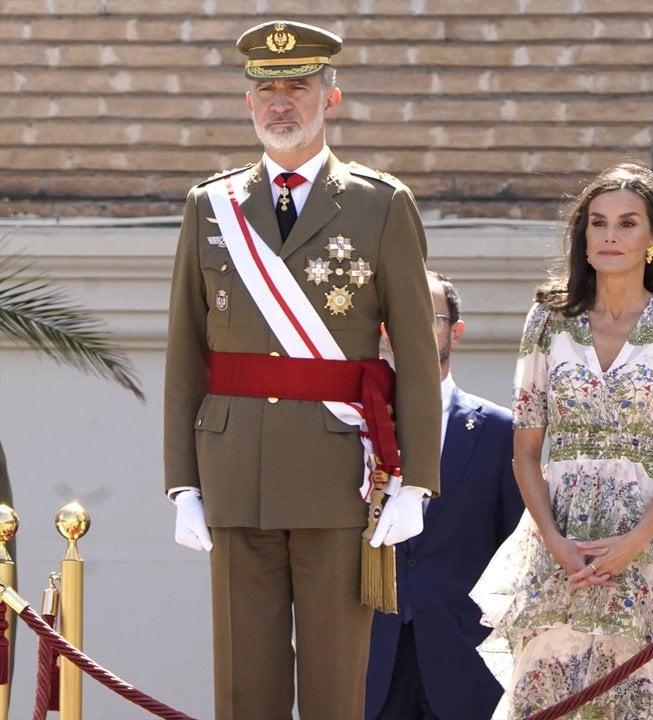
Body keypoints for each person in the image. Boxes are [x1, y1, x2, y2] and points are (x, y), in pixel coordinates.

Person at [163, 20, 441, 720]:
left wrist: (419, 481)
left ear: (331, 97)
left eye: (299, 85)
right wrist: (181, 485)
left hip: (337, 476)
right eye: (266, 88)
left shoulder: (381, 204)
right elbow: (184, 354)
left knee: (333, 686)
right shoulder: (211, 206)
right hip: (234, 473)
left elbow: (414, 350)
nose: (281, 101)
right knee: (242, 689)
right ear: (247, 102)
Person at [471, 162, 653, 719]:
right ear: (582, 236)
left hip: (645, 537)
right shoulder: (548, 320)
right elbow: (526, 452)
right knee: (550, 688)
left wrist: (636, 540)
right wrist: (555, 541)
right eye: (598, 222)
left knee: (641, 685)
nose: (610, 235)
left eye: (627, 223)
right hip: (558, 535)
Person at [365, 271, 525, 720]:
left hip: (466, 665)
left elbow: (517, 553)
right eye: (400, 316)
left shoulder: (499, 431)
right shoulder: (350, 427)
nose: (413, 326)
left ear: (456, 330)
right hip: (371, 661)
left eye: (429, 317)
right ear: (383, 333)